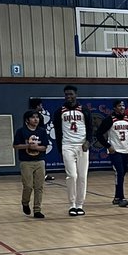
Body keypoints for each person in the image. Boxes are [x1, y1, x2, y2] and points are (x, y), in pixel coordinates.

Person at [53, 84, 93, 217]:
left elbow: (91, 127)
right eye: (66, 95)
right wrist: (60, 148)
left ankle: (80, 204)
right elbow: (58, 131)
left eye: (71, 94)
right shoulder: (59, 111)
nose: (69, 97)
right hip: (67, 145)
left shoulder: (84, 110)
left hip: (82, 145)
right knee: (72, 176)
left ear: (76, 95)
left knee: (82, 176)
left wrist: (88, 141)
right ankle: (72, 204)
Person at [96, 99, 128, 207]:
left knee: (122, 174)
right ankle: (122, 198)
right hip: (115, 151)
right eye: (119, 106)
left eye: (123, 105)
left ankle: (117, 197)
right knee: (119, 173)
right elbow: (99, 134)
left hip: (126, 151)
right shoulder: (110, 119)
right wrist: (108, 146)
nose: (122, 107)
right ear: (114, 108)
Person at [13, 109, 50, 218]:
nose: (36, 119)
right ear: (27, 120)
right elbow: (15, 146)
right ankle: (25, 202)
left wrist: (37, 147)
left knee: (39, 186)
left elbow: (44, 147)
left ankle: (37, 209)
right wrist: (27, 146)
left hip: (40, 161)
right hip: (26, 162)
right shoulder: (21, 131)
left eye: (37, 117)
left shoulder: (42, 131)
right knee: (28, 186)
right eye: (33, 117)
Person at [28, 96, 55, 180]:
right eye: (40, 105)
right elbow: (41, 130)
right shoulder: (39, 117)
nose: (41, 107)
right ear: (37, 106)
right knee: (40, 157)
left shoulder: (27, 115)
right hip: (38, 139)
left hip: (30, 138)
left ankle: (35, 174)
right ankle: (43, 174)